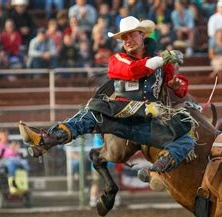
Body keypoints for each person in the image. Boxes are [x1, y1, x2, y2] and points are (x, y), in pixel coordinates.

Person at [19, 16, 192, 179]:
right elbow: (133, 70)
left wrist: (177, 86)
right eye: (124, 38)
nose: (128, 41)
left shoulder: (162, 63)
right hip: (119, 116)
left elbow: (179, 86)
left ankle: (156, 170)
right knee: (90, 114)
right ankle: (46, 140)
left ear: (142, 34)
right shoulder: (118, 60)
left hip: (148, 122)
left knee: (186, 139)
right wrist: (161, 59)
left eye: (131, 35)